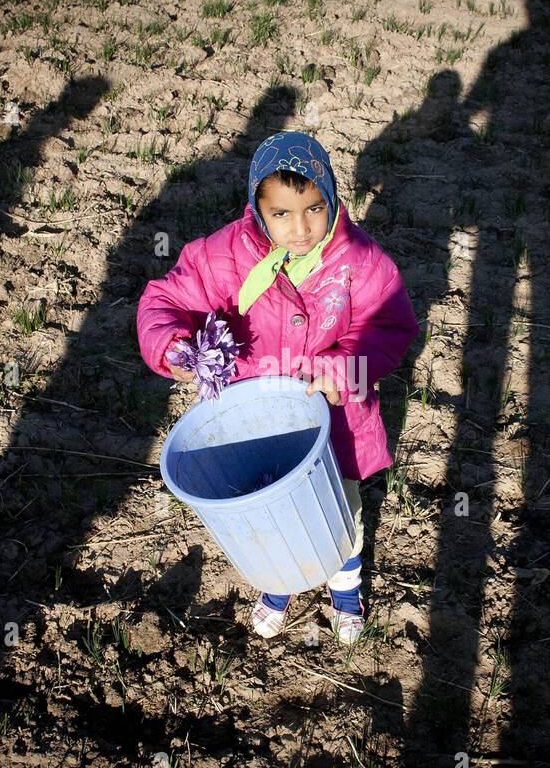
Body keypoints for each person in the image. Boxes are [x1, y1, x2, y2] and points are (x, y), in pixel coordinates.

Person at [136, 130, 419, 643]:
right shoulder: (223, 255)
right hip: (255, 421)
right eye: (281, 214)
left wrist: (346, 369)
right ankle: (278, 586)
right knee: (267, 510)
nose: (301, 228)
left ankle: (346, 588)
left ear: (331, 198)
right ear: (257, 210)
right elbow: (166, 298)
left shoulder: (359, 261)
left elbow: (389, 327)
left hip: (335, 424)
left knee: (340, 511)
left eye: (313, 208)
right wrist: (171, 344)